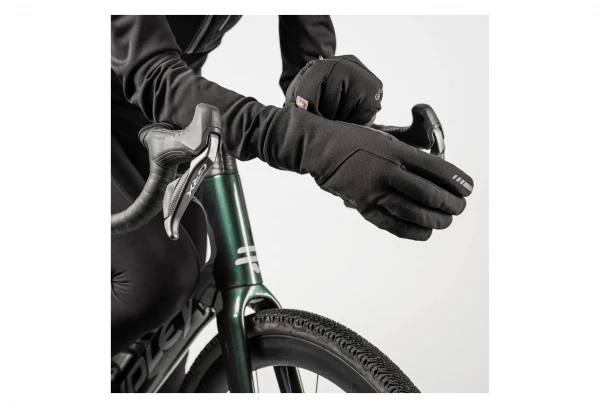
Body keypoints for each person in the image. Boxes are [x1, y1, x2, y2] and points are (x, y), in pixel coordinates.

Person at [111, 15, 474, 392]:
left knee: (177, 296)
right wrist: (305, 142)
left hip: (158, 110)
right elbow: (151, 73)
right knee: (158, 277)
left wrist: (320, 90)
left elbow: (306, 30)